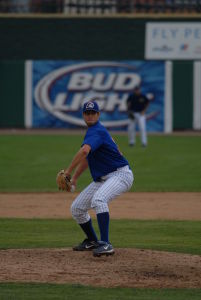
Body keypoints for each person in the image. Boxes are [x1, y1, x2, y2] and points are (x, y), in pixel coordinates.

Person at [64, 100, 134, 257]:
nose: (90, 116)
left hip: (120, 174)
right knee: (77, 208)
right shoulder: (94, 132)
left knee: (99, 199)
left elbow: (83, 152)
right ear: (83, 115)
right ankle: (93, 241)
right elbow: (88, 157)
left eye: (93, 113)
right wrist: (74, 178)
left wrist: (68, 171)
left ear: (98, 115)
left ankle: (106, 244)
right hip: (104, 178)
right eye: (87, 113)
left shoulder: (97, 131)